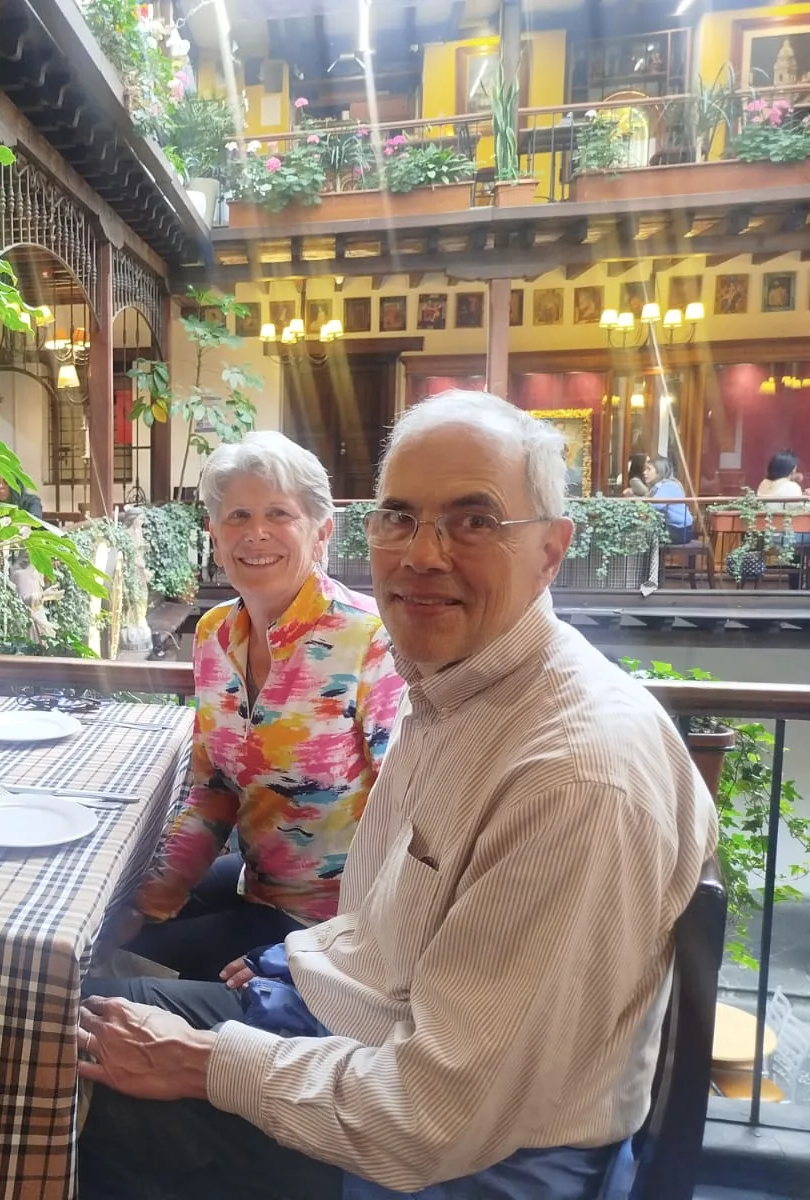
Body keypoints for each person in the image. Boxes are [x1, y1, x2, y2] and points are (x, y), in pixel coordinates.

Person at [77, 391, 716, 1200]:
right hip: (354, 1027)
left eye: (474, 520)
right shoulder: (452, 688)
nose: (422, 554)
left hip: (453, 1164)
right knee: (67, 1013)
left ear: (552, 551)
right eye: (400, 516)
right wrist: (288, 963)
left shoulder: (575, 774)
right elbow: (382, 912)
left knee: (58, 1081)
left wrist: (203, 1061)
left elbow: (438, 1116)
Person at [117, 431, 403, 982]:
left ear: (321, 533)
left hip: (338, 927)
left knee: (112, 992)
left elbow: (410, 824)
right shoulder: (213, 635)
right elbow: (213, 793)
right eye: (238, 516)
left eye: (279, 513)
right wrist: (149, 903)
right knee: (107, 921)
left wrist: (313, 959)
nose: (256, 534)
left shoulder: (370, 641)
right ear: (215, 537)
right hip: (259, 883)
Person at [648, 455, 694, 544]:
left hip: (679, 531)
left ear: (659, 472)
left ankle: (653, 558)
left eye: (648, 469)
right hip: (674, 529)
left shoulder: (668, 485)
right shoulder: (660, 486)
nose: (644, 472)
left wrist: (639, 504)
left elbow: (656, 506)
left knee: (643, 536)